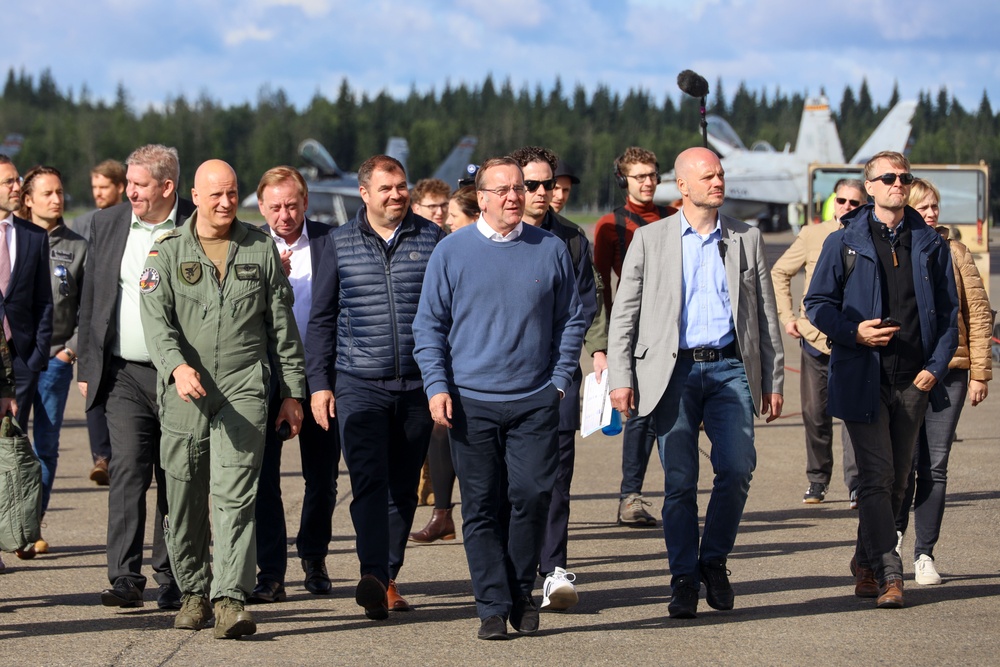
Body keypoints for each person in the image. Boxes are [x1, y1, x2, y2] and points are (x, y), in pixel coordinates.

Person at [607, 147, 785, 619]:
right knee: (680, 481)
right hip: (673, 372)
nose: (718, 182)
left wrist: (773, 377)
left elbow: (765, 313)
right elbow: (625, 314)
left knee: (738, 467)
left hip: (730, 367)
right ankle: (683, 576)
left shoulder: (746, 237)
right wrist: (621, 378)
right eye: (707, 176)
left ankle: (714, 561)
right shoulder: (650, 239)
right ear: (682, 186)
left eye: (720, 174)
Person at [413, 156, 585, 640]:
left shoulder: (549, 248)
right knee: (482, 505)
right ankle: (493, 604)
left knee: (531, 495)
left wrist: (558, 377)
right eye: (503, 189)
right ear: (481, 198)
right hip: (472, 402)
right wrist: (437, 385)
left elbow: (572, 318)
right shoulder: (452, 252)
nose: (514, 196)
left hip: (534, 398)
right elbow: (429, 326)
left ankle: (519, 591)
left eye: (520, 188)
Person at [140, 159, 305, 638]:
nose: (225, 202)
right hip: (185, 392)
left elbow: (282, 327)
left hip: (243, 388)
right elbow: (156, 321)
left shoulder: (260, 248)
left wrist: (292, 390)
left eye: (232, 193)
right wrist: (176, 366)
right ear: (194, 195)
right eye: (215, 194)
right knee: (185, 495)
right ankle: (193, 592)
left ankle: (230, 599)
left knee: (236, 497)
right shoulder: (166, 251)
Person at [805, 151, 958, 609]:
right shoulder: (844, 241)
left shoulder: (929, 242)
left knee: (899, 482)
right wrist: (853, 332)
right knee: (876, 476)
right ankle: (891, 572)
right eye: (888, 177)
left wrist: (936, 366)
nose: (898, 183)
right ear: (868, 186)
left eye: (904, 177)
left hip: (915, 380)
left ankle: (865, 561)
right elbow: (817, 303)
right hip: (862, 377)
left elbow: (951, 313)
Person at [308, 155, 443, 620]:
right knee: (368, 479)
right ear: (364, 193)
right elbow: (322, 319)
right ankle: (373, 575)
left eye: (401, 186)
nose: (396, 195)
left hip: (417, 385)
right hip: (358, 382)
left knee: (404, 488)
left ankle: (387, 574)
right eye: (385, 188)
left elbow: (448, 315)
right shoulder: (338, 243)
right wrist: (319, 384)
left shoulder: (432, 239)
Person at [77, 144, 187, 610]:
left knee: (175, 475)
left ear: (167, 187)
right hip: (123, 373)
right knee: (127, 470)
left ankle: (172, 574)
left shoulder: (193, 226)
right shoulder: (107, 224)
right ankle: (124, 576)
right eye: (127, 183)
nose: (129, 192)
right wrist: (88, 364)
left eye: (138, 185)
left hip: (181, 376)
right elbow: (92, 299)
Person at [510, 145, 597, 612]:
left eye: (548, 184)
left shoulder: (573, 241)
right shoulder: (494, 239)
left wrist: (576, 360)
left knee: (556, 480)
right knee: (510, 484)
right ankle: (512, 573)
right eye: (532, 184)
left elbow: (584, 307)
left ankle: (553, 570)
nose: (542, 193)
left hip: (557, 377)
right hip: (502, 383)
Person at [249, 166, 339, 604]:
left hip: (322, 377)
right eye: (275, 207)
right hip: (265, 379)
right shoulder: (248, 247)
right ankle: (271, 572)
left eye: (292, 204)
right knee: (264, 480)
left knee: (321, 478)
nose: (284, 215)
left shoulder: (331, 241)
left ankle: (315, 556)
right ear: (261, 207)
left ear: (305, 202)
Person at [895, 178, 991, 585]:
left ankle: (924, 554)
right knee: (901, 465)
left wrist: (979, 373)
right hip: (904, 374)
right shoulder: (896, 250)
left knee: (934, 464)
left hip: (949, 372)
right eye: (925, 206)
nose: (933, 213)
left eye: (935, 206)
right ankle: (891, 541)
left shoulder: (956, 253)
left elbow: (979, 313)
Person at [593, 146, 676, 527]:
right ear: (623, 180)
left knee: (679, 412)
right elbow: (602, 288)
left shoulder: (676, 217)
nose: (647, 182)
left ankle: (679, 493)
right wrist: (608, 344)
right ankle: (631, 496)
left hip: (674, 330)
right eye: (638, 176)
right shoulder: (611, 225)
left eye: (652, 174)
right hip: (636, 331)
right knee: (639, 415)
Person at [771, 179, 865, 505]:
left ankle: (857, 483)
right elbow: (780, 271)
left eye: (855, 203)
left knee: (854, 415)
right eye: (842, 201)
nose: (848, 208)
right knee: (815, 413)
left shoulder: (871, 234)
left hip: (855, 340)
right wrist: (788, 317)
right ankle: (818, 479)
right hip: (816, 339)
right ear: (832, 202)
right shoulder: (813, 235)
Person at [14, 166, 87, 558]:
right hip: (18, 359)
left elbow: (88, 306)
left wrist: (70, 349)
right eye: (47, 193)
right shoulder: (15, 239)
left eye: (60, 192)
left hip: (56, 360)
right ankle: (11, 518)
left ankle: (31, 525)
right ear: (28, 199)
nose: (57, 199)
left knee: (46, 445)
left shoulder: (76, 246)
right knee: (11, 443)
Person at [409, 186, 481, 545]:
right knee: (442, 431)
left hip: (473, 364)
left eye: (451, 214)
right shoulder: (446, 249)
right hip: (446, 358)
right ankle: (443, 513)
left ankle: (453, 513)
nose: (445, 220)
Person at [71, 159, 126, 486]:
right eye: (94, 187)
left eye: (104, 186)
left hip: (123, 321)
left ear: (120, 186)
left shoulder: (132, 221)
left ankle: (123, 456)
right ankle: (101, 458)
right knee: (93, 388)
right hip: (91, 320)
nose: (97, 193)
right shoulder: (82, 223)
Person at [0, 155, 54, 453]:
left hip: (22, 360)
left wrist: (35, 358)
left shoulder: (34, 236)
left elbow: (44, 301)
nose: (18, 187)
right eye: (9, 181)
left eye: (18, 179)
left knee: (11, 449)